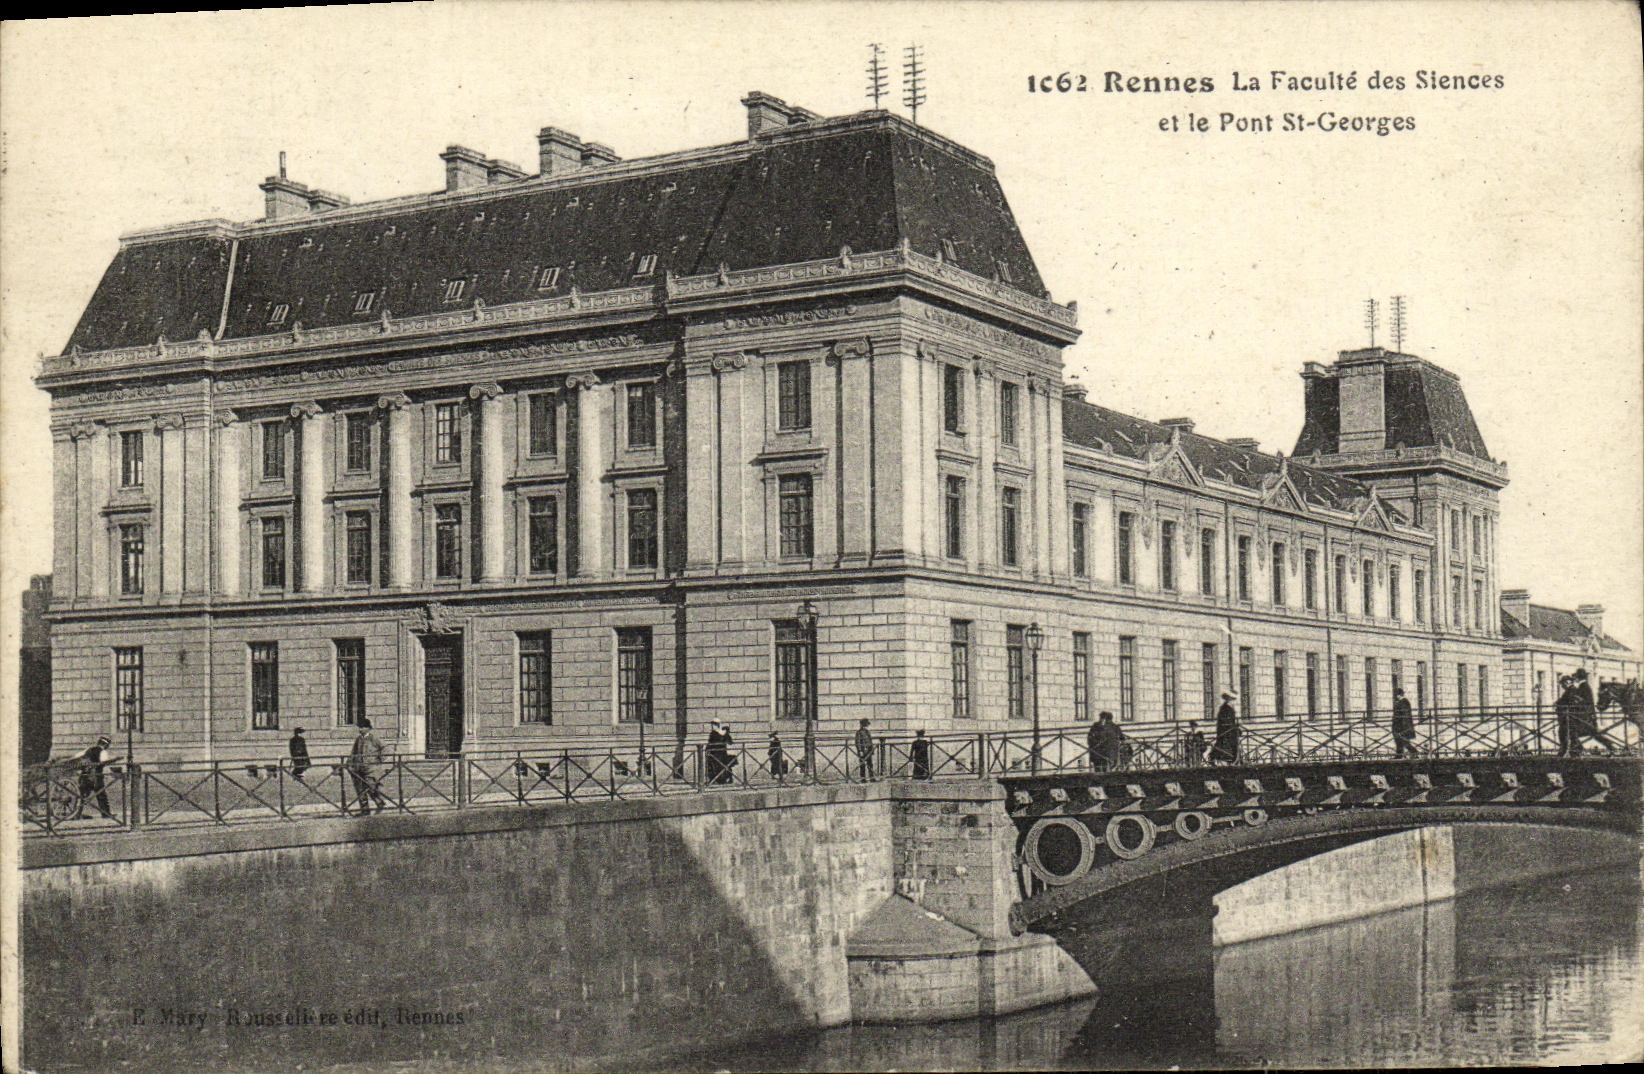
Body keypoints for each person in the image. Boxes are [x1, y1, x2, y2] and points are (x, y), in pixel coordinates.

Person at [74, 735, 121, 820]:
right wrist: (114, 761)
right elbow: (103, 762)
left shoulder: (88, 749)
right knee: (101, 796)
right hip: (96, 777)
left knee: (82, 797)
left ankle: (76, 814)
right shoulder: (102, 752)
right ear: (105, 745)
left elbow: (78, 757)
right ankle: (106, 814)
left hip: (84, 777)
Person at [347, 717, 387, 815]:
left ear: (368, 728)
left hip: (371, 768)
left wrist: (379, 760)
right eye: (359, 727)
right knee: (360, 789)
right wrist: (349, 763)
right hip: (359, 767)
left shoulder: (374, 738)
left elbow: (385, 749)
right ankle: (364, 809)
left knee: (371, 787)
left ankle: (380, 802)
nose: (360, 730)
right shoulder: (358, 739)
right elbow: (353, 752)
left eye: (362, 727)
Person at [1569, 668, 1615, 752]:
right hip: (1587, 714)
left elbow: (1583, 701)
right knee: (1593, 733)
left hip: (1584, 715)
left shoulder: (1583, 687)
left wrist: (1574, 699)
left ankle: (1577, 749)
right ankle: (1610, 746)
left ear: (1578, 677)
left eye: (1576, 677)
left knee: (1572, 730)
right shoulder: (1585, 686)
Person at [1210, 691, 1241, 764]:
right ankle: (1233, 760)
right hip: (1226, 731)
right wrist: (1234, 727)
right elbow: (1225, 721)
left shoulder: (1228, 707)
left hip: (1229, 730)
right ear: (1228, 699)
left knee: (1230, 745)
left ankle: (1235, 759)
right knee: (1227, 745)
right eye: (1232, 699)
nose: (1233, 701)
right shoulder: (1225, 708)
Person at [706, 721, 735, 785]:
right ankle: (722, 779)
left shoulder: (713, 733)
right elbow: (730, 742)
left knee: (714, 765)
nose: (712, 726)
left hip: (715, 753)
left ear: (717, 725)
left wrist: (707, 749)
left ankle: (715, 779)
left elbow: (710, 743)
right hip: (722, 752)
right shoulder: (724, 733)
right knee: (723, 765)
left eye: (713, 725)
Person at [1391, 687, 1417, 758]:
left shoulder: (1404, 702)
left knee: (1404, 741)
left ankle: (1413, 752)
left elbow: (1405, 715)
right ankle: (1399, 755)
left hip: (1401, 726)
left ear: (1398, 695)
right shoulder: (1402, 702)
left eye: (1396, 695)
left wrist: (1404, 728)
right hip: (1399, 726)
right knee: (1399, 741)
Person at [1554, 674, 1576, 756]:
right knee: (1565, 733)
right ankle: (1567, 750)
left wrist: (1558, 704)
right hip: (1567, 716)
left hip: (1568, 717)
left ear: (1567, 683)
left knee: (1564, 733)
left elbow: (1567, 702)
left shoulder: (1571, 691)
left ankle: (1565, 750)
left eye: (1563, 684)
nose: (1562, 686)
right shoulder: (1570, 691)